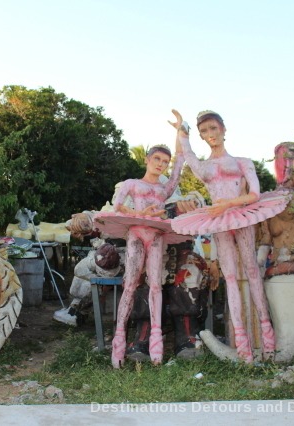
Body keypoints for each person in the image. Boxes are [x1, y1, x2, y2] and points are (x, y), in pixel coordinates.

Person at [170, 109, 276, 363]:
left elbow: (255, 195)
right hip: (219, 221)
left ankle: (268, 341)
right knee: (229, 278)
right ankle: (243, 346)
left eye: (213, 129)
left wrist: (227, 205)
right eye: (204, 131)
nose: (210, 135)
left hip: (240, 217)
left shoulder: (242, 161)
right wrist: (182, 131)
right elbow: (188, 154)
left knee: (252, 272)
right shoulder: (204, 167)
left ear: (223, 129)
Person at [94, 111, 189, 368]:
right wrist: (140, 213)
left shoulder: (164, 188)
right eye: (157, 159)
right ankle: (119, 342)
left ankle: (156, 344)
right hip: (136, 233)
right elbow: (117, 206)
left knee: (156, 285)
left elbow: (181, 165)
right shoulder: (132, 184)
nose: (161, 164)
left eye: (164, 161)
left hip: (157, 235)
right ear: (147, 160)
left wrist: (181, 132)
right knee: (130, 284)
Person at [53, 242, 122, 326]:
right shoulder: (88, 262)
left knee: (94, 287)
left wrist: (103, 293)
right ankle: (74, 311)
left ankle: (79, 313)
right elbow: (79, 271)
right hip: (89, 278)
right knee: (83, 284)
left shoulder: (119, 261)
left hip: (110, 278)